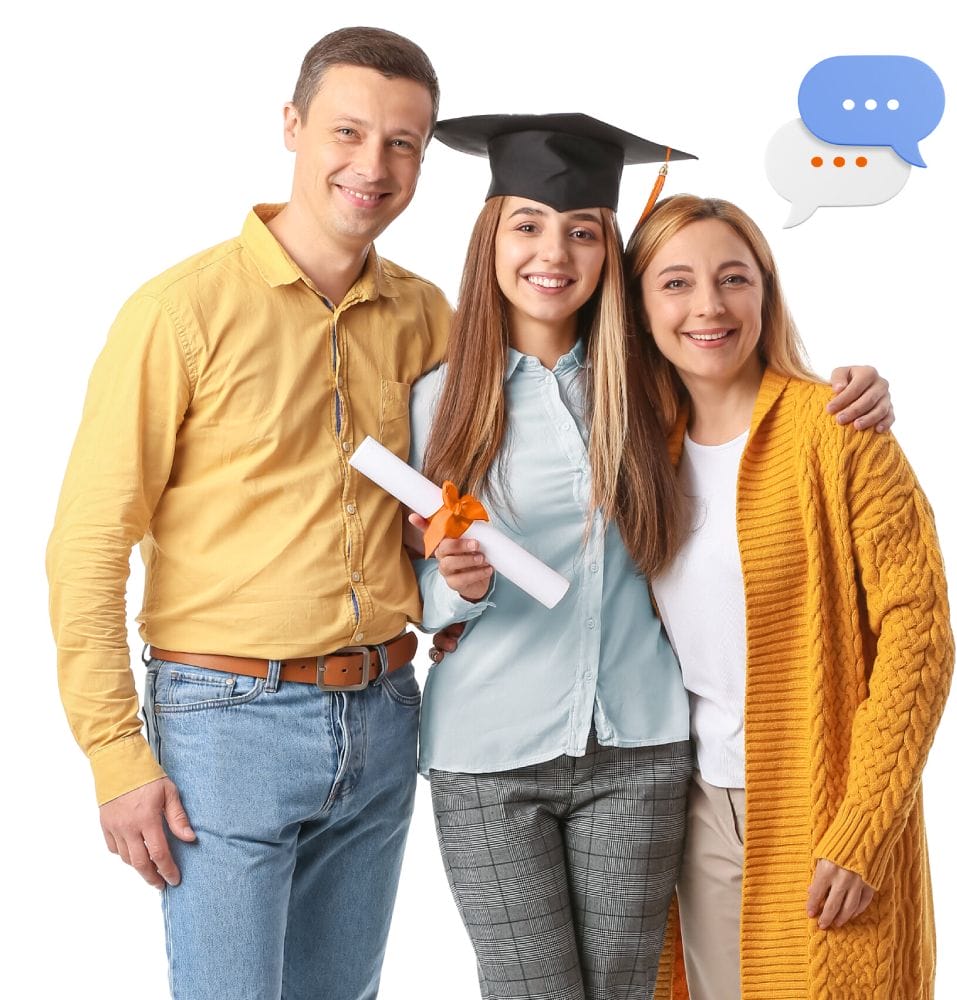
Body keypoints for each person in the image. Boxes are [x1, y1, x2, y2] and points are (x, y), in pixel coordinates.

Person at [411, 115, 895, 1000]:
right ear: (490, 240)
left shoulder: (651, 389)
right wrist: (453, 592)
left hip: (641, 747)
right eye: (527, 225)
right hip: (487, 749)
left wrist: (853, 388)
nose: (553, 253)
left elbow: (747, 406)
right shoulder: (437, 402)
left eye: (583, 231)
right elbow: (405, 579)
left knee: (631, 988)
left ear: (610, 253)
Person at [46, 27, 450, 1000]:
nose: (373, 165)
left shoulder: (429, 315)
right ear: (292, 126)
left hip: (387, 711)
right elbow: (89, 544)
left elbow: (452, 501)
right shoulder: (179, 311)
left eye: (402, 142)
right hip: (226, 725)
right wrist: (115, 756)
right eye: (347, 131)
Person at [624, 194, 953, 1000]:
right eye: (676, 283)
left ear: (766, 294)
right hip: (694, 810)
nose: (709, 305)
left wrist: (865, 824)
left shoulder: (839, 431)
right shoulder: (641, 454)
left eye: (734, 278)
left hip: (826, 805)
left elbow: (919, 637)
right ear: (639, 307)